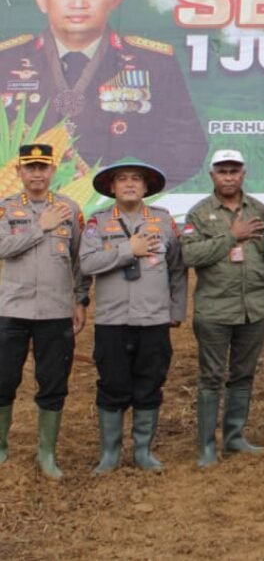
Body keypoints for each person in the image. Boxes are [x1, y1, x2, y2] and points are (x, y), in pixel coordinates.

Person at [0, 0, 206, 186]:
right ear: (42, 0)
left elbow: (187, 148)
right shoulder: (5, 62)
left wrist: (126, 189)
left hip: (116, 212)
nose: (78, 3)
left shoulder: (152, 63)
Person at [79, 160, 187, 473]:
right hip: (112, 321)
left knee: (150, 383)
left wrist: (176, 310)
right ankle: (110, 453)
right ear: (111, 187)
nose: (129, 184)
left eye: (136, 179)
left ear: (145, 187)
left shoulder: (164, 221)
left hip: (154, 320)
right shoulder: (97, 223)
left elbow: (178, 269)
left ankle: (143, 451)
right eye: (122, 179)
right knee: (112, 384)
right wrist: (129, 249)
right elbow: (87, 263)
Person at [182, 149, 264, 468]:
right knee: (211, 376)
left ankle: (235, 437)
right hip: (215, 310)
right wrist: (231, 236)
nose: (229, 177)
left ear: (243, 174)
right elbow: (190, 256)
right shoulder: (199, 213)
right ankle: (207, 445)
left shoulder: (260, 211)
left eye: (234, 171)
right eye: (222, 171)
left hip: (254, 309)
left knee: (243, 374)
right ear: (212, 175)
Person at [0, 143, 87, 479]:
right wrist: (41, 227)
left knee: (53, 381)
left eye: (42, 167)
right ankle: (2, 447)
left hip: (55, 310)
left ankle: (47, 453)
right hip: (12, 309)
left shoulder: (69, 208)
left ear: (53, 171)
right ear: (19, 172)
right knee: (4, 379)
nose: (36, 173)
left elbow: (80, 259)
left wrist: (80, 299)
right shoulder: (6, 209)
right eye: (30, 167)